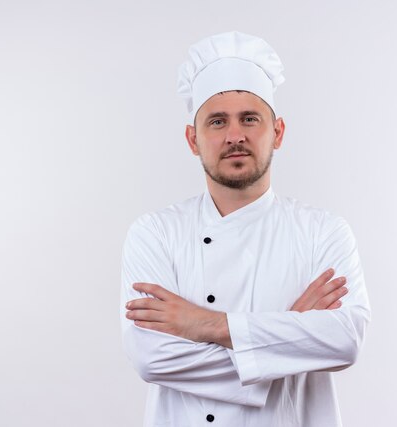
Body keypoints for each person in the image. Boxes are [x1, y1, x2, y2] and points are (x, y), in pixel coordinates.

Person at [120, 31, 371, 427]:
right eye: (217, 121)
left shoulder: (323, 231)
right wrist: (288, 338)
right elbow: (152, 357)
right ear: (193, 139)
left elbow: (344, 340)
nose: (234, 135)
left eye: (249, 119)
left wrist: (203, 324)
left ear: (278, 132)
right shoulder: (155, 233)